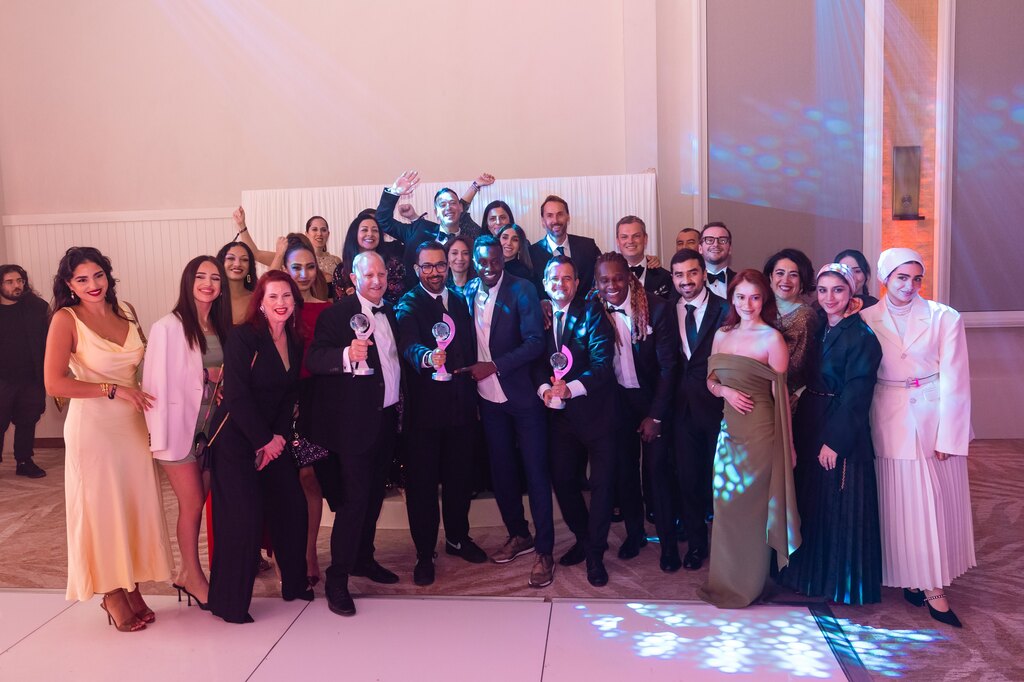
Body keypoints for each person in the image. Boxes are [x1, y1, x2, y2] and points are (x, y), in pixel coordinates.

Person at [43, 246, 172, 632]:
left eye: (97, 275)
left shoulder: (126, 311)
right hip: (94, 429)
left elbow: (146, 366)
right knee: (101, 510)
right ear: (69, 285)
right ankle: (112, 594)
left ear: (107, 275)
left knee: (132, 507)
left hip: (132, 427)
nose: (92, 284)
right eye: (82, 279)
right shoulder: (65, 319)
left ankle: (132, 586)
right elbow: (54, 383)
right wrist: (112, 389)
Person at [861, 248, 975, 628]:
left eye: (916, 279)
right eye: (901, 278)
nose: (909, 286)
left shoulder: (945, 317)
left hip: (932, 418)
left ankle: (933, 584)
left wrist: (950, 437)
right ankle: (909, 575)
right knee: (897, 504)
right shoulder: (865, 318)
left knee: (932, 505)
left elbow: (956, 379)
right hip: (885, 416)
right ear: (885, 279)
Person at [207, 271, 311, 623]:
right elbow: (236, 396)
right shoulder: (243, 337)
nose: (281, 303)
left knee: (293, 506)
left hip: (272, 439)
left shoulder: (294, 338)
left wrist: (276, 440)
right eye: (273, 297)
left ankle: (294, 584)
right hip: (235, 439)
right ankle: (229, 604)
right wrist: (263, 441)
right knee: (244, 519)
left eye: (287, 296)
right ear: (261, 304)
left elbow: (289, 394)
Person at [779, 263, 883, 604]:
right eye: (823, 290)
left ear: (851, 292)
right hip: (811, 418)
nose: (829, 298)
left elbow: (857, 395)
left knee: (837, 507)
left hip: (840, 427)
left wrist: (834, 442)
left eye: (837, 290)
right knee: (812, 504)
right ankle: (808, 578)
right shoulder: (820, 326)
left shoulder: (862, 336)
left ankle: (838, 585)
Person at [307, 251, 403, 617]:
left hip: (386, 420)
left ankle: (364, 558)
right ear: (354, 278)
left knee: (375, 497)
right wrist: (347, 353)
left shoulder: (391, 313)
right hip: (353, 427)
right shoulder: (336, 315)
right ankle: (337, 578)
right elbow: (316, 359)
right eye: (369, 275)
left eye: (382, 274)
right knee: (354, 503)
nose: (377, 280)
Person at [698, 269, 800, 608]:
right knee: (725, 506)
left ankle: (750, 585)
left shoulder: (772, 339)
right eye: (741, 297)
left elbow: (781, 398)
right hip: (729, 433)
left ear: (764, 299)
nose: (747, 304)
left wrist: (788, 446)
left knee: (752, 512)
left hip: (760, 434)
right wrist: (724, 391)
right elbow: (710, 381)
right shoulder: (721, 335)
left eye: (755, 297)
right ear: (732, 299)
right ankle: (724, 581)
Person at [458, 235, 553, 588]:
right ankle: (519, 534)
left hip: (523, 396)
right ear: (474, 263)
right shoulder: (468, 291)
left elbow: (535, 342)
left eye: (495, 261)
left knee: (536, 473)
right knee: (502, 472)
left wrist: (494, 366)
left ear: (503, 259)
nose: (489, 267)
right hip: (487, 399)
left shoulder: (522, 289)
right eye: (482, 262)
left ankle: (545, 550)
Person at [142, 256, 232, 609]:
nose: (208, 283)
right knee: (192, 503)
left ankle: (185, 573)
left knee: (198, 502)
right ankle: (193, 575)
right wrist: (159, 438)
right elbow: (154, 386)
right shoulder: (167, 327)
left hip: (210, 430)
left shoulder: (221, 326)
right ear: (188, 281)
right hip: (178, 430)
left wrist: (220, 386)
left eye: (215, 278)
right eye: (201, 277)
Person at [396, 242, 485, 586]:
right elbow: (408, 345)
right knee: (422, 486)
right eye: (427, 266)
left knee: (459, 479)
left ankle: (457, 538)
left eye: (440, 265)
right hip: (424, 414)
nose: (434, 272)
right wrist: (426, 356)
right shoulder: (408, 304)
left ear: (448, 267)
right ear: (417, 270)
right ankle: (424, 552)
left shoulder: (460, 300)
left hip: (461, 407)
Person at [592, 253, 679, 571]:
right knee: (624, 473)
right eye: (604, 280)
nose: (612, 285)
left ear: (629, 277)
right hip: (617, 403)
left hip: (652, 400)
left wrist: (656, 415)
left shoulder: (657, 307)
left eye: (618, 277)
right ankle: (635, 534)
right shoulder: (593, 310)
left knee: (657, 473)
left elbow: (669, 368)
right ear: (597, 283)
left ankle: (669, 546)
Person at [534, 255, 616, 586]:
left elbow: (602, 362)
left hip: (597, 413)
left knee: (601, 485)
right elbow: (534, 361)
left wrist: (571, 389)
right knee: (563, 479)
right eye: (554, 278)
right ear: (545, 283)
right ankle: (584, 538)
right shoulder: (538, 316)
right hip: (560, 417)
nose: (560, 284)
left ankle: (596, 553)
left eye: (567, 278)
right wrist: (544, 389)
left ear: (577, 284)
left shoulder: (592, 312)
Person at [670, 248, 729, 570]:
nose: (686, 280)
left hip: (719, 407)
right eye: (679, 275)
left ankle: (726, 547)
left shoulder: (726, 310)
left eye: (692, 273)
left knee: (720, 481)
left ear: (704, 274)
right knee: (688, 480)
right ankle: (696, 545)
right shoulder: (667, 309)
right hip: (681, 410)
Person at [280, 234, 331, 587]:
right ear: (285, 269)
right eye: (296, 267)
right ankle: (285, 554)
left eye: (309, 267)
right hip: (278, 401)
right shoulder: (276, 308)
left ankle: (310, 552)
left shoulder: (327, 309)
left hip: (315, 401)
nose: (303, 274)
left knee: (310, 479)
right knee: (283, 483)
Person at [376, 171, 488, 288]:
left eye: (452, 203)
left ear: (461, 208)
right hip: (417, 297)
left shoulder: (471, 239)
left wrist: (475, 186)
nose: (448, 207)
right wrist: (394, 192)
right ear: (436, 212)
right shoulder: (419, 230)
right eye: (442, 205)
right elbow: (383, 221)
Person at [0, 264, 49, 478]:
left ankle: (24, 461)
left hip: (31, 377)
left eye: (20, 281)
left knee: (28, 420)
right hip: (2, 379)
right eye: (10, 282)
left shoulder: (37, 307)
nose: (17, 285)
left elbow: (50, 341)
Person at [232, 207, 339, 296]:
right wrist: (242, 226)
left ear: (328, 234)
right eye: (314, 229)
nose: (319, 234)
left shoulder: (336, 261)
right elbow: (255, 254)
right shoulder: (287, 257)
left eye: (323, 230)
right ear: (306, 234)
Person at [763, 249, 819, 394]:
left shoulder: (805, 316)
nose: (785, 280)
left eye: (793, 275)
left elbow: (793, 366)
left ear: (802, 281)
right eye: (780, 273)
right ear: (770, 277)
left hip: (783, 394)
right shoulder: (759, 307)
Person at [528, 195, 601, 296]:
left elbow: (603, 275)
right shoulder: (531, 254)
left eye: (560, 214)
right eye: (550, 215)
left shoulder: (588, 247)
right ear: (543, 221)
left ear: (568, 217)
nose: (555, 220)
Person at [341, 211, 407, 305]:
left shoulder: (394, 265)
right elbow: (338, 306)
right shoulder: (342, 270)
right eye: (364, 230)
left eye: (375, 230)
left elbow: (399, 301)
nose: (370, 234)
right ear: (354, 234)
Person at [615, 216, 672, 299]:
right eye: (624, 237)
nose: (630, 241)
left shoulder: (666, 277)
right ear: (617, 241)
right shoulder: (608, 276)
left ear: (645, 239)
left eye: (636, 236)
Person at [216, 241, 257, 325]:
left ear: (250, 267)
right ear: (221, 262)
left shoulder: (257, 299)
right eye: (231, 258)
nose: (237, 264)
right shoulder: (212, 299)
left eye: (244, 260)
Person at [700, 222, 736, 299]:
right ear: (700, 248)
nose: (716, 244)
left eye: (722, 240)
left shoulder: (740, 281)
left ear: (730, 249)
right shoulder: (690, 283)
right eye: (709, 240)